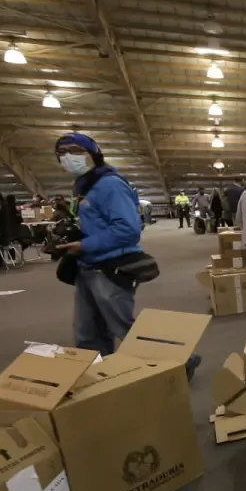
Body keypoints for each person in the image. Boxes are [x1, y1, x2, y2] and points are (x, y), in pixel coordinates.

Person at [51, 133, 203, 383]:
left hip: (110, 268)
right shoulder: (84, 186)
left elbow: (128, 230)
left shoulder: (109, 185)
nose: (68, 157)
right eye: (62, 153)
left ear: (94, 154)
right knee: (88, 332)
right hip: (87, 266)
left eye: (75, 151)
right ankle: (99, 378)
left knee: (124, 326)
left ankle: (183, 360)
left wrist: (84, 244)